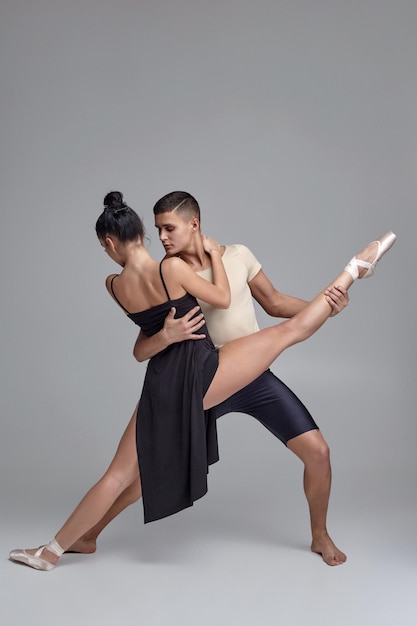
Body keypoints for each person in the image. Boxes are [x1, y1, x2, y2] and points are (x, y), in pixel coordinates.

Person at [9, 191, 396, 571]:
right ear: (143, 231)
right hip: (209, 373)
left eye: (169, 228)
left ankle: (320, 536)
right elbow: (155, 338)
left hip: (235, 375)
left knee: (318, 452)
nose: (163, 238)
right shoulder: (170, 270)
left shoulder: (231, 257)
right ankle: (355, 270)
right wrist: (167, 333)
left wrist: (322, 307)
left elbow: (275, 303)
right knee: (145, 474)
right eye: (157, 230)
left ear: (193, 224)